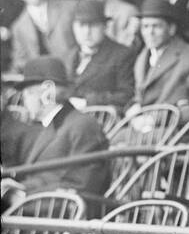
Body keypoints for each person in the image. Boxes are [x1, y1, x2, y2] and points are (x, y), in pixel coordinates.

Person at [3, 57, 109, 212]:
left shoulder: (83, 126)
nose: (25, 102)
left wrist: (22, 195)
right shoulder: (53, 126)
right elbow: (46, 178)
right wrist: (20, 188)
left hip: (65, 219)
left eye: (29, 94)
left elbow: (82, 185)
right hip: (43, 209)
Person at [129, 0, 189, 119]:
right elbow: (138, 96)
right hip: (141, 124)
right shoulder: (142, 56)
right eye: (145, 27)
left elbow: (187, 105)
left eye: (156, 26)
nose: (150, 32)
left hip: (171, 128)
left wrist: (152, 119)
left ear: (171, 29)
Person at [67, 0, 134, 110]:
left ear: (105, 27)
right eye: (82, 25)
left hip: (104, 119)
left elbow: (126, 95)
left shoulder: (122, 54)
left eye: (93, 25)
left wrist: (87, 102)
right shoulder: (69, 55)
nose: (87, 32)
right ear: (74, 28)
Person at [9, 0, 78, 71]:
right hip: (43, 77)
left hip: (74, 70)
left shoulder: (70, 7)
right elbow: (20, 60)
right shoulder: (18, 27)